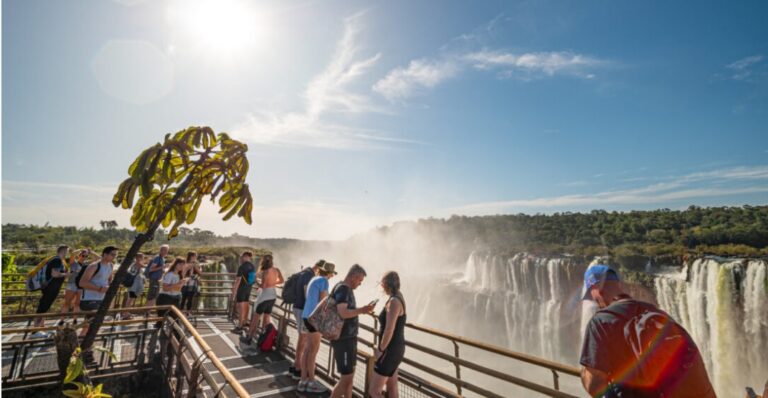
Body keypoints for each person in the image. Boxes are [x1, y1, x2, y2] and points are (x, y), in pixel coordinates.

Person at [580, 265, 716, 398]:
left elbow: (595, 386)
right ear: (619, 285)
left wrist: (584, 373)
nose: (595, 301)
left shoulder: (600, 321)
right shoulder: (657, 313)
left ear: (596, 289)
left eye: (592, 296)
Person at [330, 264, 375, 398]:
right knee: (346, 378)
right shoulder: (343, 289)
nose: (360, 284)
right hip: (343, 340)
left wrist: (363, 310)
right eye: (359, 280)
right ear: (352, 276)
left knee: (349, 376)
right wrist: (362, 310)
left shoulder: (345, 288)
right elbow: (343, 313)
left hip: (348, 339)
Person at [297, 261, 337, 394]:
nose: (332, 277)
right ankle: (312, 382)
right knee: (313, 350)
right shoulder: (324, 282)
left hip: (306, 315)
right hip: (314, 319)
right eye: (332, 274)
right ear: (330, 273)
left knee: (307, 350)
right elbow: (323, 303)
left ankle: (303, 381)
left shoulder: (314, 279)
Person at [369, 271, 407, 398]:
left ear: (386, 284)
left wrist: (381, 349)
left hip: (389, 350)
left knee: (374, 391)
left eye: (382, 284)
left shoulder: (394, 302)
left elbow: (389, 330)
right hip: (396, 349)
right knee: (392, 388)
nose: (381, 287)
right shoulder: (398, 296)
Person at [289, 260, 325, 381]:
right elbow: (306, 293)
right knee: (303, 339)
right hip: (302, 309)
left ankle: (296, 365)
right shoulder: (309, 275)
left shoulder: (305, 272)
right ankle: (298, 368)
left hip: (298, 307)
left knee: (303, 338)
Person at [241, 254, 284, 345]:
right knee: (266, 317)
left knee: (255, 319)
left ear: (264, 262)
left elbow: (263, 286)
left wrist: (257, 282)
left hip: (264, 297)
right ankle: (263, 339)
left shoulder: (265, 272)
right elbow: (281, 281)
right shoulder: (277, 270)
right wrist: (272, 283)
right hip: (273, 296)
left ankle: (249, 337)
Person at [78, 246, 117, 339]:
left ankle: (82, 344)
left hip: (101, 298)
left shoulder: (111, 265)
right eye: (112, 254)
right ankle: (83, 346)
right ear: (105, 254)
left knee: (92, 324)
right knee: (92, 324)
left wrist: (110, 286)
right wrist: (99, 288)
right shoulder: (94, 266)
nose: (114, 257)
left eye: (116, 255)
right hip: (89, 299)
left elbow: (109, 280)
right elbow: (82, 283)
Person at [31, 245, 70, 337]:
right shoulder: (57, 260)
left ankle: (40, 327)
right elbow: (55, 274)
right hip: (51, 287)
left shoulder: (55, 259)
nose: (67, 253)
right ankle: (35, 331)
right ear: (63, 251)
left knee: (45, 306)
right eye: (67, 251)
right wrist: (67, 274)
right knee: (43, 307)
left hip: (51, 287)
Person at [231, 251, 255, 334]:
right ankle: (245, 322)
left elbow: (238, 280)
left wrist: (234, 290)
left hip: (242, 288)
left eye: (242, 257)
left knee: (240, 307)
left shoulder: (242, 266)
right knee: (246, 304)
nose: (241, 258)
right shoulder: (252, 266)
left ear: (245, 256)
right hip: (248, 288)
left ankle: (239, 326)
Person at [121, 252, 146, 320]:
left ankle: (126, 312)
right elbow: (146, 267)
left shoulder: (134, 264)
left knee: (131, 299)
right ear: (138, 258)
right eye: (142, 257)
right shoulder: (137, 263)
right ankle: (125, 313)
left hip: (133, 285)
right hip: (133, 285)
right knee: (130, 299)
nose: (143, 259)